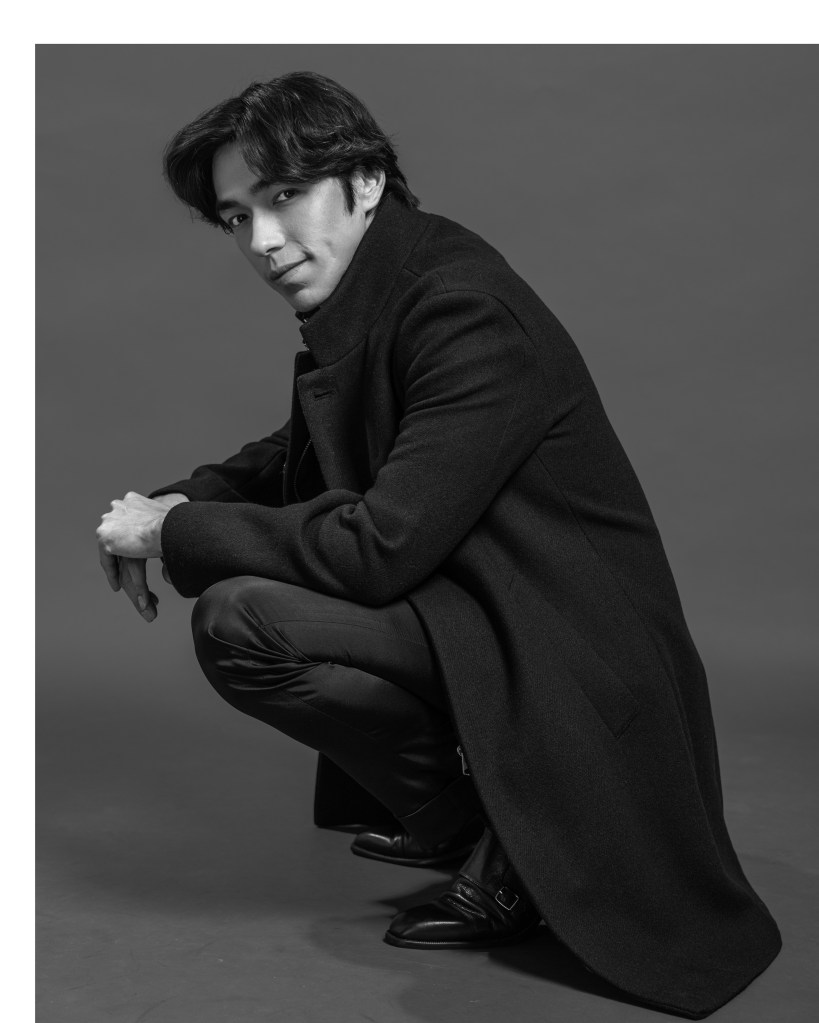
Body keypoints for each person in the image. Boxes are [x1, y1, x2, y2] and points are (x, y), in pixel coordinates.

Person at [96, 71, 780, 1018]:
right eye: (236, 216)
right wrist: (173, 499)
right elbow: (298, 451)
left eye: (285, 195)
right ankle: (471, 829)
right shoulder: (385, 286)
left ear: (365, 180)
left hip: (565, 648)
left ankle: (517, 853)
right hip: (477, 606)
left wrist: (173, 533)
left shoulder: (460, 306)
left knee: (241, 618)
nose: (261, 240)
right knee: (242, 607)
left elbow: (377, 546)